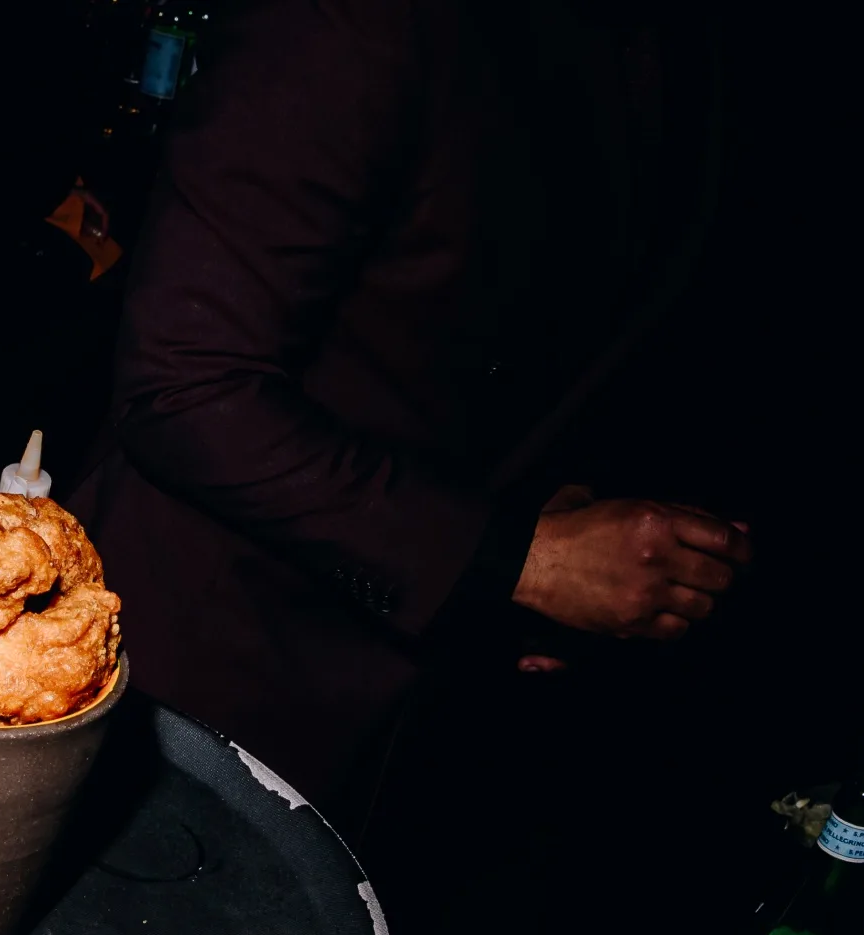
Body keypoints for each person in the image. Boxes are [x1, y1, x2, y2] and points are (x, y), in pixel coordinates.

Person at [72, 0, 755, 817]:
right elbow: (186, 386)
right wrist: (523, 561)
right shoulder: (357, 22)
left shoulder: (680, 50)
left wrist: (566, 527)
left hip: (425, 721)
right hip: (197, 695)